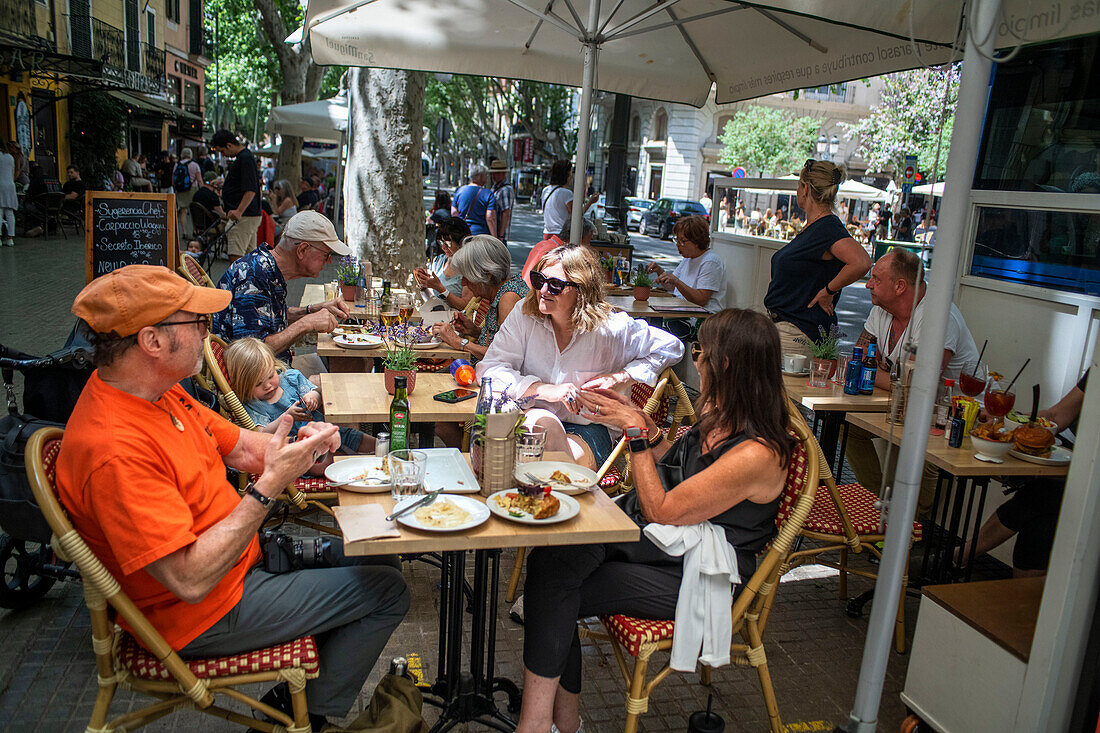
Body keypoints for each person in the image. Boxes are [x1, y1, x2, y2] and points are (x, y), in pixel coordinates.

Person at [56, 266, 409, 731]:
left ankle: (307, 691)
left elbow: (243, 446)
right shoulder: (114, 450)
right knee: (389, 591)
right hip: (201, 613)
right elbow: (190, 578)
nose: (210, 333)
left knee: (384, 559)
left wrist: (297, 439)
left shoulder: (158, 393)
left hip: (242, 567)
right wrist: (267, 488)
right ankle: (299, 715)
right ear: (151, 341)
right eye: (197, 323)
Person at [515, 308, 791, 733]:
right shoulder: (721, 419)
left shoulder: (757, 453)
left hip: (700, 574)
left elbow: (664, 508)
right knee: (553, 565)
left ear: (727, 365)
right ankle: (558, 722)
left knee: (552, 582)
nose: (695, 359)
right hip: (663, 546)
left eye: (702, 351)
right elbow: (680, 477)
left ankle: (544, 724)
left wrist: (637, 436)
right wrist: (644, 424)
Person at [476, 245, 683, 469]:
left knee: (551, 465)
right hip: (534, 416)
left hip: (591, 426)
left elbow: (672, 347)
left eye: (555, 285)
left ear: (582, 290)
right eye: (538, 280)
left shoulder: (611, 329)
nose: (543, 290)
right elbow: (489, 369)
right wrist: (541, 388)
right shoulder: (524, 315)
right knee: (544, 429)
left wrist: (622, 377)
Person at [844, 249, 980, 517]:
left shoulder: (937, 317)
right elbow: (856, 361)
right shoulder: (882, 310)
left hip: (953, 417)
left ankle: (909, 527)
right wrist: (897, 377)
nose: (868, 284)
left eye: (876, 279)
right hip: (906, 408)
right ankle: (878, 507)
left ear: (900, 286)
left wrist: (882, 371)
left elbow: (920, 384)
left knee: (919, 458)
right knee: (848, 425)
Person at [959, 370, 1089, 576]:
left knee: (1046, 492)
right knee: (1043, 516)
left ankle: (959, 556)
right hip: (1076, 465)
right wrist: (1012, 420)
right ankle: (1019, 595)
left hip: (1088, 472)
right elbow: (1057, 415)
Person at [762, 159, 872, 358]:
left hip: (797, 331)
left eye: (798, 185)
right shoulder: (817, 227)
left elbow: (862, 261)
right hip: (786, 327)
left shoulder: (827, 227)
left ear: (805, 189)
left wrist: (829, 290)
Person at [214, 210, 351, 364]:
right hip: (255, 380)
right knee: (346, 368)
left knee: (349, 362)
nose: (328, 262)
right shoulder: (254, 276)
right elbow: (252, 354)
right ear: (302, 250)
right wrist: (306, 323)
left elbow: (266, 317)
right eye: (326, 255)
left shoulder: (267, 268)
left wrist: (312, 310)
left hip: (272, 370)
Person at [225, 337, 375, 472]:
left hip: (322, 429)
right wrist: (286, 417)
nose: (268, 385)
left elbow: (315, 391)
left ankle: (385, 450)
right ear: (243, 385)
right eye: (258, 384)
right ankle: (358, 468)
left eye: (271, 376)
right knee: (324, 462)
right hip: (296, 450)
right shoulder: (253, 405)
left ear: (275, 365)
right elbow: (260, 434)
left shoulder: (290, 378)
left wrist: (312, 397)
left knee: (353, 436)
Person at [430, 235, 527, 361]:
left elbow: (506, 357)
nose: (463, 283)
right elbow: (499, 341)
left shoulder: (509, 298)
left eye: (467, 277)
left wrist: (459, 342)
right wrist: (475, 331)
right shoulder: (501, 291)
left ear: (486, 274)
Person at [646, 215, 726, 312]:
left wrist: (676, 281)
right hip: (682, 310)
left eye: (682, 241)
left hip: (700, 317)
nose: (678, 245)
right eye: (677, 240)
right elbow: (672, 287)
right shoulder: (688, 258)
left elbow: (701, 300)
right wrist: (660, 273)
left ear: (697, 241)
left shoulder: (710, 262)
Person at [210, 130, 262, 263]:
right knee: (249, 258)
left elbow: (250, 189)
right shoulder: (245, 158)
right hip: (248, 215)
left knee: (236, 257)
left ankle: (238, 283)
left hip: (243, 216)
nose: (224, 155)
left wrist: (239, 211)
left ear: (228, 145)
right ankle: (249, 283)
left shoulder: (244, 159)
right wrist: (225, 184)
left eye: (222, 151)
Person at [413, 216, 472, 311]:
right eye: (441, 242)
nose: (443, 247)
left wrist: (441, 289)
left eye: (448, 243)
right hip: (437, 318)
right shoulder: (439, 261)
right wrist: (423, 284)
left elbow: (464, 306)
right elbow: (432, 302)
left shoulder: (469, 267)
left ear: (461, 242)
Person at [521, 217, 591, 288]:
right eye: (588, 241)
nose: (589, 245)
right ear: (578, 238)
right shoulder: (556, 253)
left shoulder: (544, 244)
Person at [542, 160, 598, 239]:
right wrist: (591, 201)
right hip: (560, 235)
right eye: (570, 173)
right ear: (566, 175)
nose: (571, 176)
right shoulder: (566, 193)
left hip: (547, 234)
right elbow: (577, 214)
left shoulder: (545, 190)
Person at [452, 164, 497, 236]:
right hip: (481, 234)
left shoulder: (459, 191)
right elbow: (490, 217)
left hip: (463, 232)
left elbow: (454, 213)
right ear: (480, 176)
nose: (487, 178)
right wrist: (495, 237)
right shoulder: (488, 194)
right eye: (486, 175)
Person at [174, 148, 203, 237]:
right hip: (192, 189)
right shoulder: (195, 165)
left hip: (181, 190)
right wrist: (202, 190)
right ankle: (194, 231)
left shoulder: (177, 165)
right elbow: (199, 180)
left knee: (183, 210)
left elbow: (174, 179)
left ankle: (184, 231)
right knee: (194, 210)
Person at [489, 159, 516, 244]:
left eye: (496, 173)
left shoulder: (506, 190)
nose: (493, 176)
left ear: (503, 173)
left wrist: (500, 236)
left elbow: (506, 213)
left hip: (499, 235)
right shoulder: (495, 187)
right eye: (492, 173)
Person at [0, 141, 15, 247]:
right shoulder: (10, 157)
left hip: (0, 185)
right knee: (9, 213)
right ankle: (10, 239)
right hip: (10, 186)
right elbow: (12, 171)